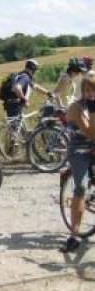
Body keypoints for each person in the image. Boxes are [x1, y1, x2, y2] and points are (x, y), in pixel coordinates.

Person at [60, 72, 95, 253]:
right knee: (80, 187)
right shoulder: (76, 107)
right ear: (83, 90)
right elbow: (90, 132)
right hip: (79, 149)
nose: (92, 94)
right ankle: (74, 236)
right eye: (89, 90)